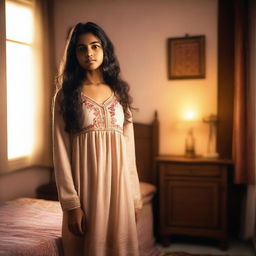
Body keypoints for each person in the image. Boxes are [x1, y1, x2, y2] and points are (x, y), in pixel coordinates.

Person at [52, 21, 143, 256]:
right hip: (86, 189)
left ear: (105, 50)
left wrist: (134, 196)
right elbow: (60, 151)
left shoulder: (120, 93)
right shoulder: (65, 96)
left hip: (119, 188)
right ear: (74, 54)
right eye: (81, 48)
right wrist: (72, 204)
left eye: (95, 46)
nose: (89, 53)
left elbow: (129, 148)